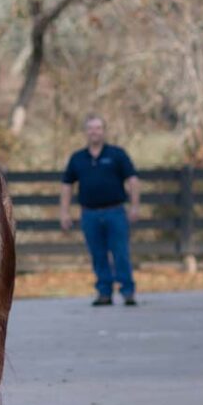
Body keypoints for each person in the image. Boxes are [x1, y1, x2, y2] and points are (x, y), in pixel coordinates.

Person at [59, 114, 140, 306]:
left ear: (104, 131)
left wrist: (135, 206)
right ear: (86, 132)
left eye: (97, 128)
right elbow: (67, 185)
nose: (94, 132)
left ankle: (127, 291)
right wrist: (64, 212)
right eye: (90, 128)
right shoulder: (78, 158)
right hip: (90, 214)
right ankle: (104, 292)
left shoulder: (117, 155)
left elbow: (133, 180)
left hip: (115, 212)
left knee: (121, 253)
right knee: (97, 254)